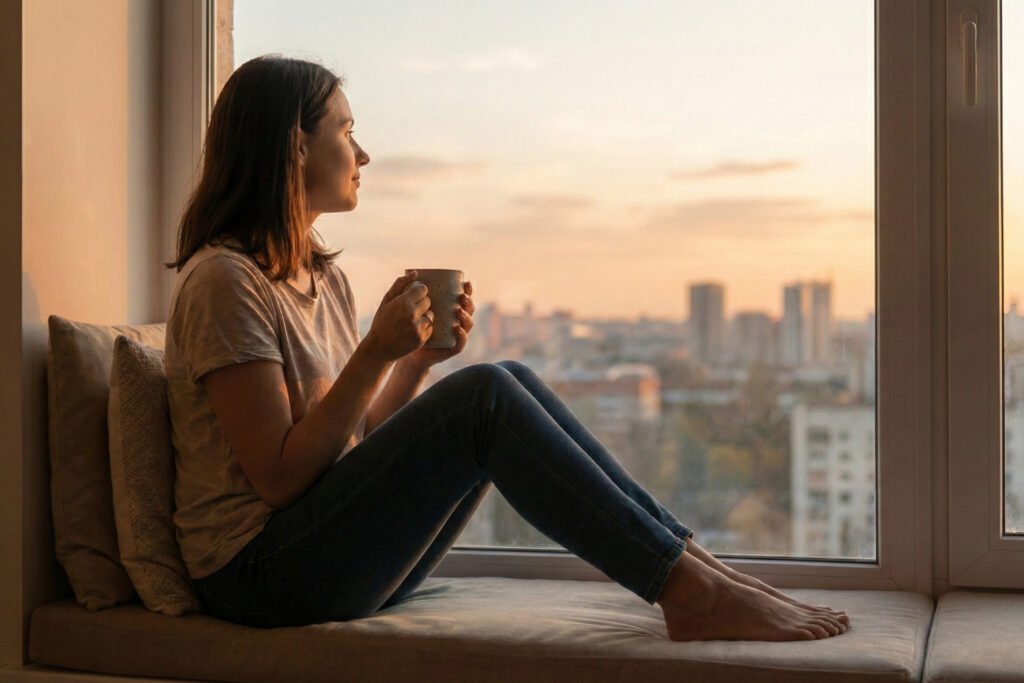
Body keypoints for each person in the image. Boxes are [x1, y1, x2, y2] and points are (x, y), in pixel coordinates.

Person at [164, 54, 850, 641]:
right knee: (487, 396)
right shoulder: (226, 282)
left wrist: (414, 362)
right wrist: (374, 353)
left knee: (508, 375)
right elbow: (281, 479)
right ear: (295, 147)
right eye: (346, 130)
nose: (364, 153)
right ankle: (690, 590)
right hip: (256, 577)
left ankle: (697, 567)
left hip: (319, 551)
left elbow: (357, 444)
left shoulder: (323, 277)